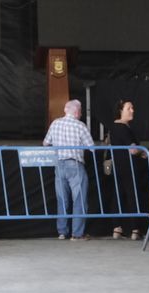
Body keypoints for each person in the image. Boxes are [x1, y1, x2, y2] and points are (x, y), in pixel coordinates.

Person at [43, 98, 94, 240]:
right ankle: (77, 234)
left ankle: (62, 231)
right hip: (75, 164)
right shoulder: (80, 126)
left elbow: (46, 143)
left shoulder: (55, 123)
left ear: (66, 110)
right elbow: (92, 147)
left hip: (59, 164)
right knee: (79, 199)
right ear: (77, 112)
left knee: (62, 199)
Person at [106, 99, 149, 241]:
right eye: (128, 108)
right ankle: (135, 229)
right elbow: (132, 149)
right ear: (121, 111)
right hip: (129, 167)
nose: (132, 110)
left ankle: (117, 228)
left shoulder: (113, 128)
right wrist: (142, 152)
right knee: (133, 196)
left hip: (118, 167)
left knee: (118, 195)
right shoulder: (124, 128)